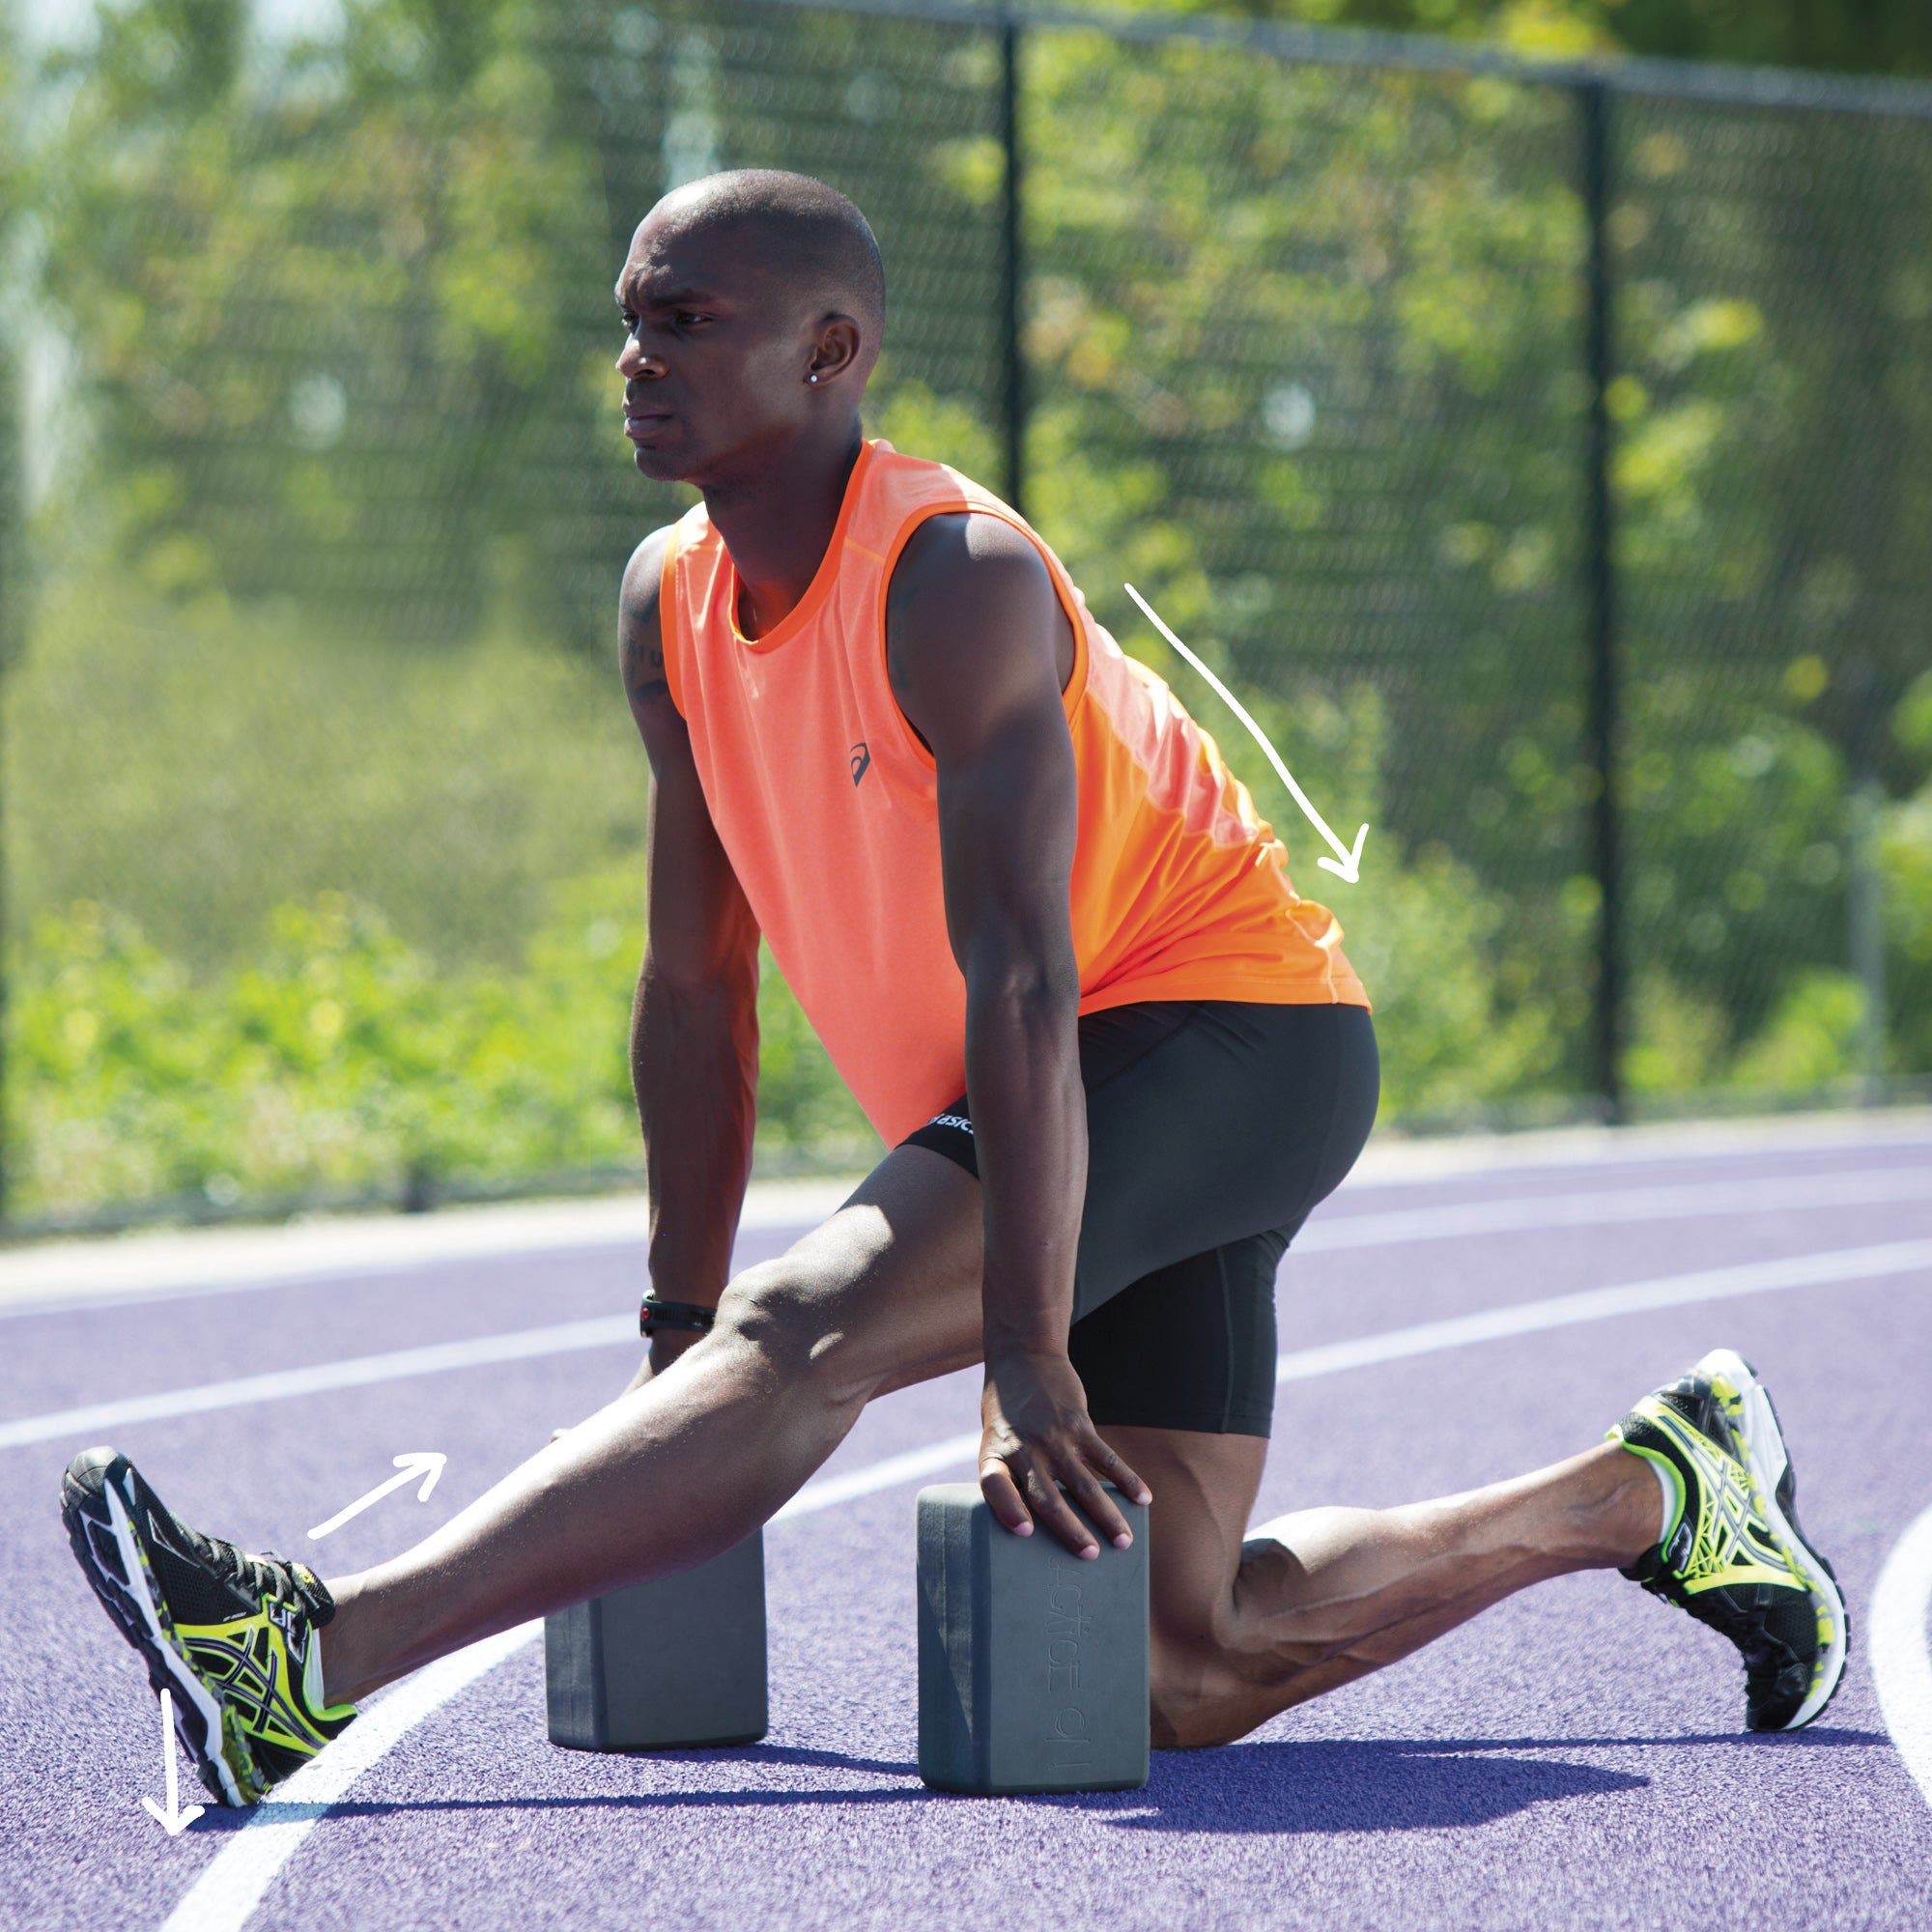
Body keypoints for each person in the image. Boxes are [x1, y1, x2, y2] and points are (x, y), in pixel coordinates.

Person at [60, 169, 1846, 1808]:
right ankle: (1654, 1490)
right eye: (630, 315)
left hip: (1222, 1037)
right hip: (1071, 1068)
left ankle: (309, 1656)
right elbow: (695, 989)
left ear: (831, 353)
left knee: (811, 1328)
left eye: (684, 321)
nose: (633, 356)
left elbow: (1025, 972)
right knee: (1178, 1662)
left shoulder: (956, 578)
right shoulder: (666, 602)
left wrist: (1020, 1340)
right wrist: (671, 1327)